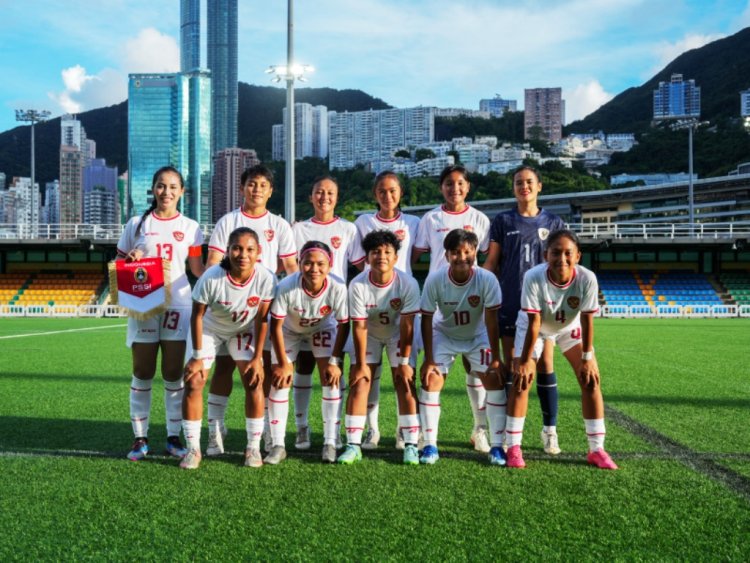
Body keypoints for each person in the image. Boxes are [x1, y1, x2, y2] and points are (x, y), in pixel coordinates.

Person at [203, 164, 297, 456]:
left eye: (262, 185)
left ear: (271, 191)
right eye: (251, 184)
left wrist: (296, 303)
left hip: (260, 311)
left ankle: (267, 433)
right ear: (242, 187)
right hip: (225, 309)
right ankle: (215, 430)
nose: (256, 189)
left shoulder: (279, 225)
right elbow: (212, 263)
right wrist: (222, 295)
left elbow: (291, 267)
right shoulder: (227, 222)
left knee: (261, 372)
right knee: (222, 369)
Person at [506, 229, 617, 470]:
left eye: (568, 253)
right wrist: (525, 360)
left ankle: (597, 449)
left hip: (568, 327)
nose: (562, 258)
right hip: (534, 327)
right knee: (522, 379)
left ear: (578, 256)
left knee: (590, 380)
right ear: (546, 254)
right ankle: (513, 446)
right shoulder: (533, 276)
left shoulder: (587, 278)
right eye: (556, 252)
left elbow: (587, 320)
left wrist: (588, 357)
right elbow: (534, 322)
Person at [116, 166, 204, 462]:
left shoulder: (192, 227)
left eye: (173, 187)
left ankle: (172, 436)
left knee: (172, 373)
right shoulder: (136, 224)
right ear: (153, 189)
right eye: (161, 186)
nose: (166, 192)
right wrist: (131, 258)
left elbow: (196, 270)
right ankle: (139, 439)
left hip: (178, 304)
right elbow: (119, 261)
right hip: (143, 301)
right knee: (142, 371)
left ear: (182, 192)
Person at [483, 165, 566, 455]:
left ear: (539, 186)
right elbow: (492, 263)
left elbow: (562, 264)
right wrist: (482, 289)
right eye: (519, 182)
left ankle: (549, 431)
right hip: (510, 302)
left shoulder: (554, 222)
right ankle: (509, 431)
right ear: (513, 187)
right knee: (513, 366)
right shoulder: (503, 220)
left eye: (529, 182)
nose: (524, 186)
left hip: (545, 308)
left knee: (544, 365)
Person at [180, 228, 276, 469]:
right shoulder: (211, 277)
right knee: (194, 380)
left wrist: (257, 358)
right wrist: (197, 357)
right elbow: (197, 316)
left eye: (249, 249)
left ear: (258, 253)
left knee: (253, 380)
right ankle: (194, 449)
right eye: (237, 248)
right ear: (228, 250)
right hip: (211, 329)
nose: (243, 254)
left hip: (243, 330)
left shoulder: (266, 278)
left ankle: (252, 447)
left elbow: (262, 320)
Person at [413, 165, 492, 454]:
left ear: (468, 187)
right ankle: (426, 435)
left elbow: (486, 258)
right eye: (448, 183)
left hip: (472, 302)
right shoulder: (431, 218)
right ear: (441, 187)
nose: (454, 188)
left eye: (460, 183)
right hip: (439, 303)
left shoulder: (479, 219)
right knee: (432, 369)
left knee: (476, 369)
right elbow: (415, 255)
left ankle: (479, 430)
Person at [419, 229, 507, 466]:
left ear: (475, 253)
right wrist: (429, 359)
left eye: (467, 252)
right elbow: (426, 319)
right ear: (447, 255)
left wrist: (496, 358)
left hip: (477, 336)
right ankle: (429, 445)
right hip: (444, 334)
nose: (462, 257)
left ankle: (497, 446)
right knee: (431, 379)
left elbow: (491, 319)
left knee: (494, 379)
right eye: (456, 252)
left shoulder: (487, 279)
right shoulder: (435, 279)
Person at [337, 230, 421, 465]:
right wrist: (361, 365)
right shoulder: (357, 284)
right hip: (370, 335)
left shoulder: (408, 283)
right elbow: (360, 326)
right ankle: (353, 444)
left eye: (387, 252)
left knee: (405, 381)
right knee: (360, 381)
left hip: (398, 335)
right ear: (367, 257)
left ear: (396, 257)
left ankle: (411, 443)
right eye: (375, 252)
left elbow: (407, 325)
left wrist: (404, 363)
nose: (381, 256)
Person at [291, 176, 362, 451]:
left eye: (330, 192)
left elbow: (360, 264)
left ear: (337, 197)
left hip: (333, 311)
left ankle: (332, 435)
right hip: (300, 308)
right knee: (303, 367)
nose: (324, 197)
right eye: (319, 192)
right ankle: (301, 428)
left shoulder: (348, 229)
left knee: (332, 371)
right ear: (311, 197)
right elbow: (288, 265)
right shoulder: (299, 229)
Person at [352, 171, 421, 449]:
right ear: (375, 194)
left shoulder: (414, 222)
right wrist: (374, 282)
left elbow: (413, 256)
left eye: (392, 190)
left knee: (404, 373)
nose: (387, 195)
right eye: (381, 191)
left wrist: (393, 279)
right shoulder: (363, 222)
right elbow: (359, 260)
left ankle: (405, 431)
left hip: (402, 301)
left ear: (400, 193)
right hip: (371, 303)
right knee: (370, 373)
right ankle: (372, 429)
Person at [266, 241, 349, 464]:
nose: (314, 269)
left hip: (321, 327)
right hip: (289, 330)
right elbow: (275, 325)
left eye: (320, 264)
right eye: (308, 263)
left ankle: (330, 441)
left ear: (330, 265)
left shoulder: (338, 287)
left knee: (330, 378)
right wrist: (283, 363)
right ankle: (278, 443)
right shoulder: (286, 285)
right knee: (280, 380)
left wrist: (335, 360)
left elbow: (344, 324)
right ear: (299, 263)